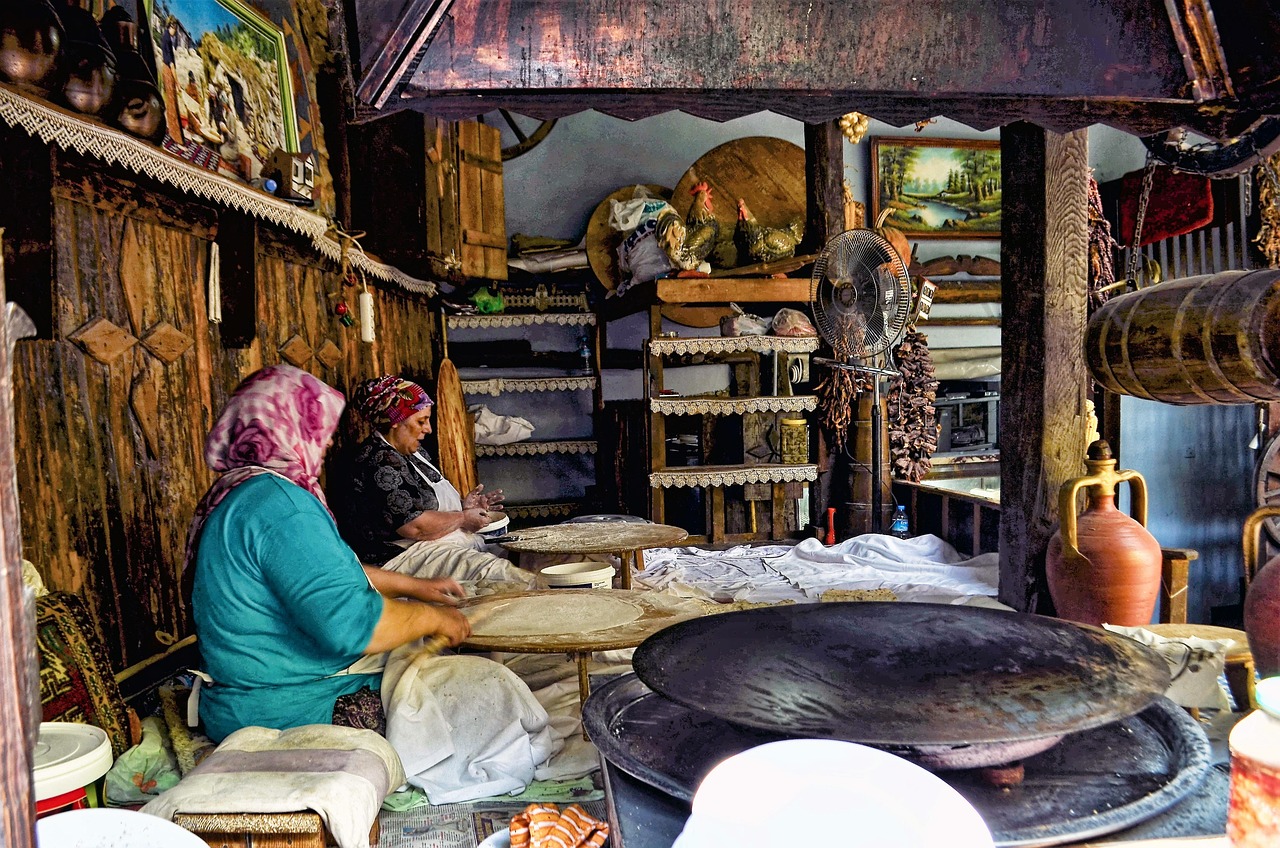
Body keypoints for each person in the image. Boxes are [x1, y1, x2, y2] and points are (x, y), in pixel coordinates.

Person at [184, 364, 472, 741]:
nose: (328, 443)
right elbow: (352, 626)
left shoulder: (238, 494)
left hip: (246, 695)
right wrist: (434, 619)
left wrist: (418, 587)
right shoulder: (283, 506)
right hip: (287, 707)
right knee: (479, 697)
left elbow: (327, 573)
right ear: (289, 427)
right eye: (319, 430)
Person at [335, 374, 507, 565]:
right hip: (397, 560)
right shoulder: (380, 462)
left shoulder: (413, 452)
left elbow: (424, 505)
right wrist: (462, 518)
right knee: (494, 570)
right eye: (421, 421)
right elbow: (415, 527)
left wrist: (462, 507)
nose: (428, 429)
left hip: (430, 548)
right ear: (396, 421)